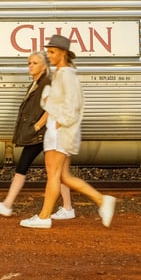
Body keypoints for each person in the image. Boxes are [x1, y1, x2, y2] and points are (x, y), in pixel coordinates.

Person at [20, 34, 117, 229]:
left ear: (63, 53)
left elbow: (74, 105)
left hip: (60, 132)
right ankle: (102, 200)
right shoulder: (60, 74)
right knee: (63, 176)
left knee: (53, 174)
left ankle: (44, 217)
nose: (49, 55)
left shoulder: (66, 75)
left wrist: (60, 122)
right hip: (58, 130)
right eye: (48, 52)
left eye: (52, 52)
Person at [0, 52, 75, 220]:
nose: (30, 66)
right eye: (29, 63)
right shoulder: (36, 84)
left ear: (44, 66)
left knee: (28, 167)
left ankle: (8, 205)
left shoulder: (46, 83)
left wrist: (37, 126)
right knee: (55, 172)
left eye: (35, 63)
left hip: (45, 134)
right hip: (43, 134)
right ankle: (67, 207)